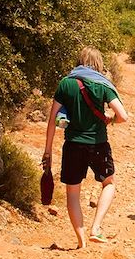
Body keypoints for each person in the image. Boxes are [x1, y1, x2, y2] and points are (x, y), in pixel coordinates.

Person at [42, 47, 129, 248]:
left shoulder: (65, 83)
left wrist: (48, 151)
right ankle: (95, 228)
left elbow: (52, 119)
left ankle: (81, 242)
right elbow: (123, 116)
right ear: (98, 63)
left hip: (72, 145)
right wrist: (111, 119)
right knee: (109, 183)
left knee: (72, 194)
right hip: (98, 143)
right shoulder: (103, 85)